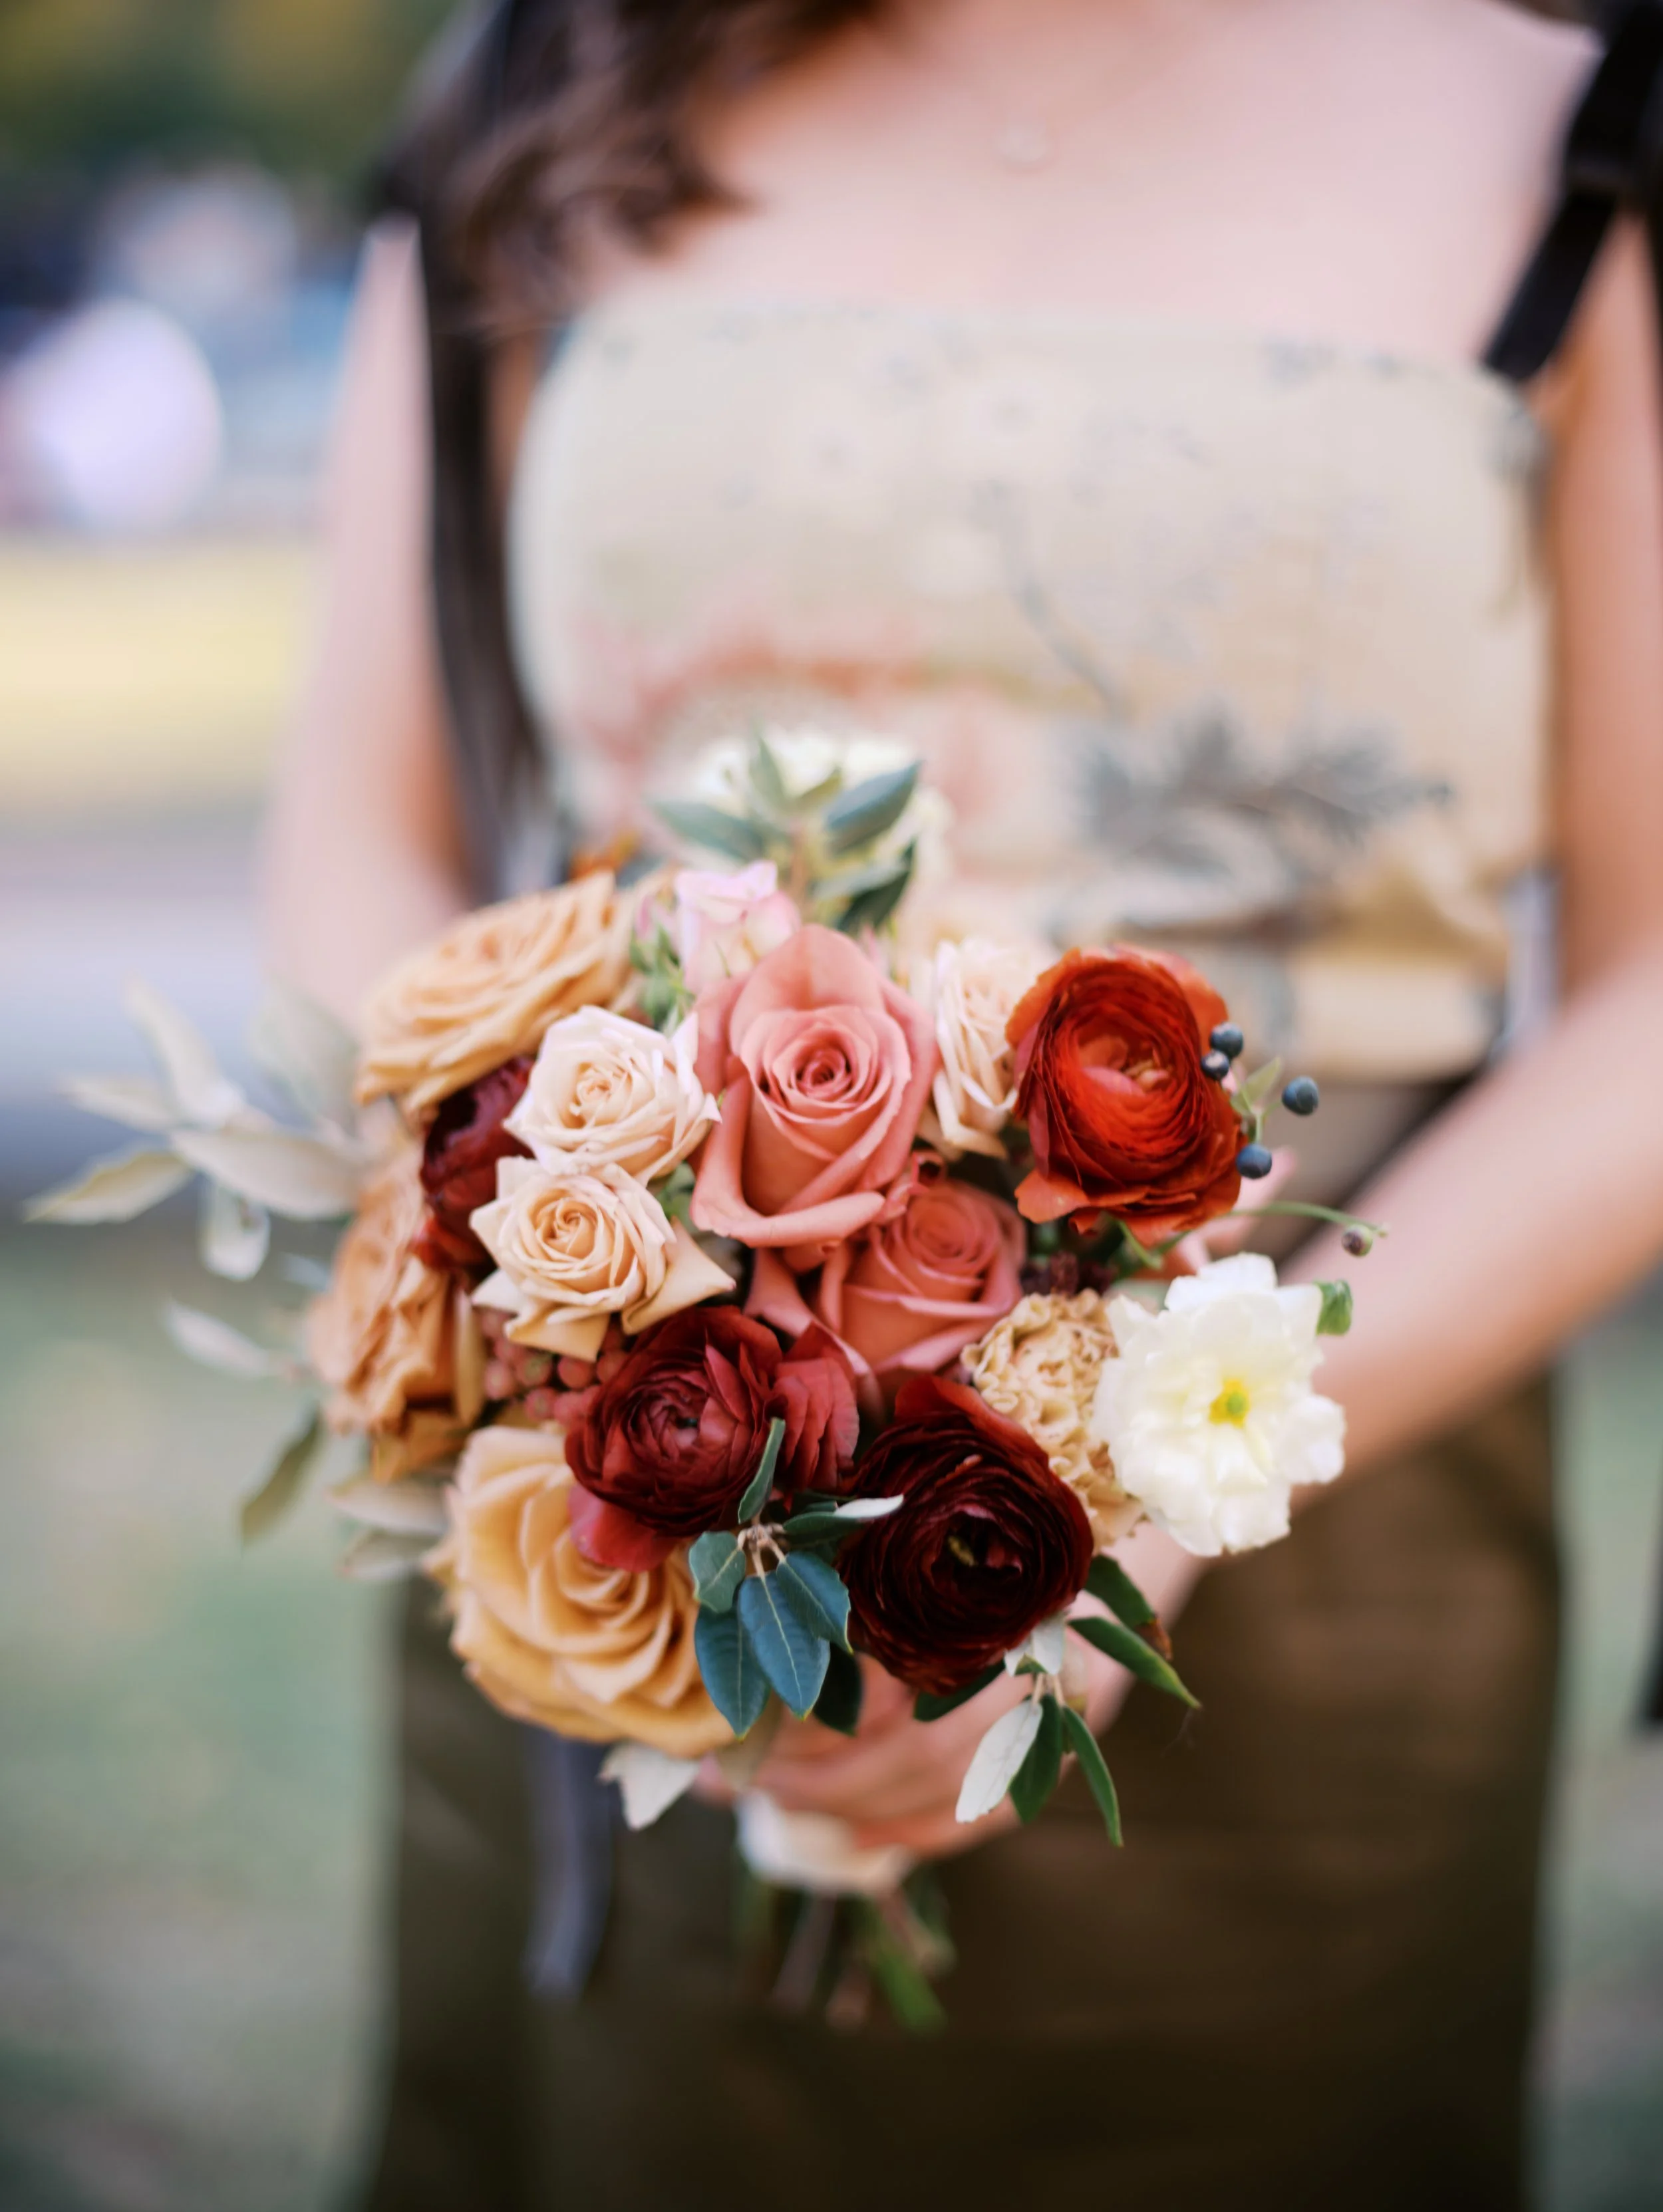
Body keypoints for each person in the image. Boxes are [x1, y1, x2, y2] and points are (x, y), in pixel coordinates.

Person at [263, 2, 1663, 2205]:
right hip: (628, 1474)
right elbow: (360, 826)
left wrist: (1175, 1474)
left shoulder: (1580, 127)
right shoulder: (557, 76)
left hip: (1330, 1464)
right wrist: (631, 1265)